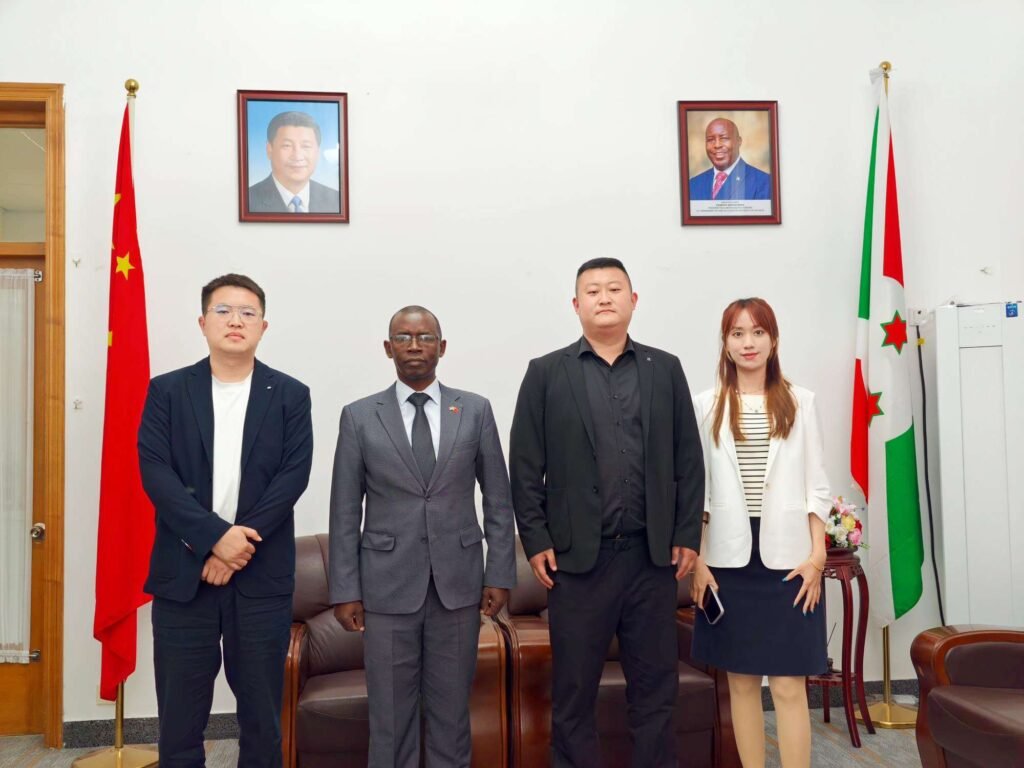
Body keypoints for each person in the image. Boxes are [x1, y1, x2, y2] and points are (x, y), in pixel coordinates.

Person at [509, 257, 704, 767]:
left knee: (655, 690)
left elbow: (689, 458)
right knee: (573, 694)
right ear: (576, 306)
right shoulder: (547, 373)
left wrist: (687, 532)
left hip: (650, 558)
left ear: (633, 300)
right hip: (578, 565)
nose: (604, 297)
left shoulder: (665, 369)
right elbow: (525, 467)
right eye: (592, 291)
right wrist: (535, 540)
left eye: (614, 288)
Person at [329, 305, 516, 767]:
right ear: (388, 348)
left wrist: (499, 574)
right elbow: (345, 509)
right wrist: (346, 588)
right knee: (390, 717)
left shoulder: (475, 410)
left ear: (442, 347)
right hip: (387, 588)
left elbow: (497, 499)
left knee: (452, 715)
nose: (415, 345)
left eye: (426, 337)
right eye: (404, 337)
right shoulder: (358, 417)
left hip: (458, 587)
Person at [138, 273, 313, 767]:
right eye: (223, 310)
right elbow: (157, 476)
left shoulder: (290, 395)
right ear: (202, 322)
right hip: (183, 575)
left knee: (261, 716)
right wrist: (215, 540)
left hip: (259, 579)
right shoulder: (167, 391)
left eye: (247, 313)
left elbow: (291, 478)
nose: (235, 320)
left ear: (263, 326)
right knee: (179, 717)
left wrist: (236, 550)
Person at [690, 297, 831, 768]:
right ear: (725, 344)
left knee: (789, 684)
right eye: (737, 333)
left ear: (773, 340)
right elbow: (697, 492)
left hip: (790, 562)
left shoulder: (801, 401)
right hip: (727, 562)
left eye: (757, 332)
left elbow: (818, 487)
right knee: (742, 682)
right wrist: (699, 561)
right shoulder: (704, 406)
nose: (748, 343)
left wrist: (817, 557)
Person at [248, 110, 340, 213]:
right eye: (287, 145)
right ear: (269, 149)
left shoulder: (336, 200)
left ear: (317, 152)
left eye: (306, 146)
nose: (297, 156)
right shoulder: (248, 200)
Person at [688, 118, 772, 201]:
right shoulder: (693, 184)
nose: (717, 145)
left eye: (724, 138)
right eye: (710, 140)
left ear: (739, 141)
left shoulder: (764, 182)